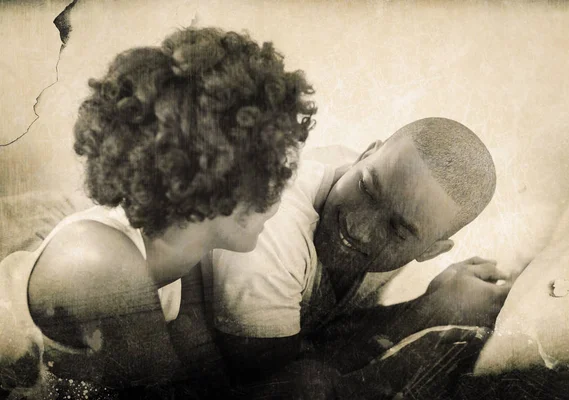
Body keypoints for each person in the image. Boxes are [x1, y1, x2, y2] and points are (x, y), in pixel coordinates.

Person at [0, 27, 316, 393]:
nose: (280, 187)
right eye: (269, 169)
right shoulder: (100, 260)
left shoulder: (173, 263)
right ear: (208, 176)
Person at [189, 117, 513, 397]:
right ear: (365, 155)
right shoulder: (272, 228)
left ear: (430, 251)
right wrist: (430, 310)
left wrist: (437, 300)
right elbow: (282, 385)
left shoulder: (392, 190)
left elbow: (332, 333)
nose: (358, 228)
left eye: (397, 230)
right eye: (368, 189)